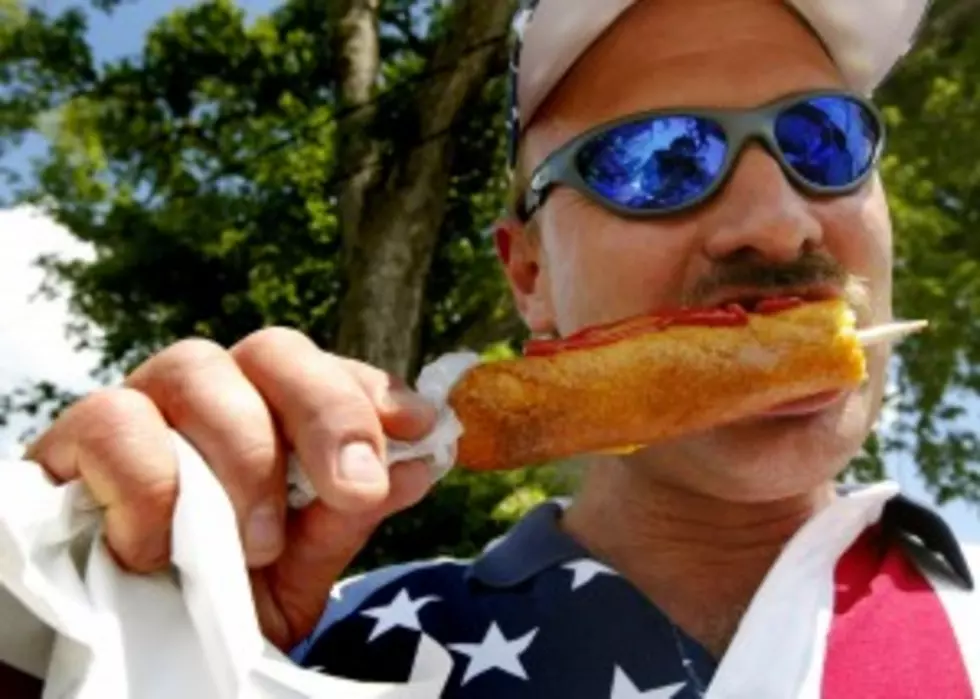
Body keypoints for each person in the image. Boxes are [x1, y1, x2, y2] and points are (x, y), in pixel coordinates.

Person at [21, 0, 980, 696]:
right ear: (530, 277)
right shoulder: (332, 645)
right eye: (656, 158)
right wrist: (126, 634)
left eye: (824, 138)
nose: (778, 224)